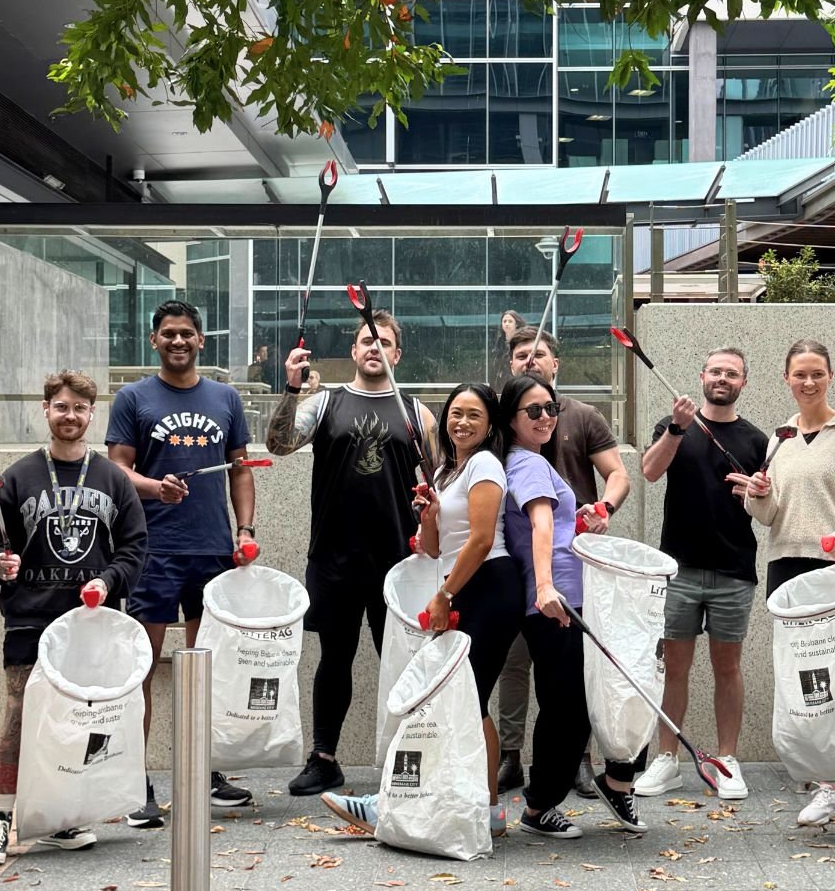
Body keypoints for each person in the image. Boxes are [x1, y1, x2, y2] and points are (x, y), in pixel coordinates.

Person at [321, 383, 523, 840]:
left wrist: (446, 595)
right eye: (455, 413)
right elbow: (434, 548)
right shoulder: (446, 472)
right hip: (463, 585)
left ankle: (398, 800)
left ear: (490, 424)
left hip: (489, 585)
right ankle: (485, 810)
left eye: (474, 415)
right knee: (471, 703)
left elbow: (482, 539)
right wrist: (429, 516)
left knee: (459, 697)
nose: (462, 422)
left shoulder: (486, 465)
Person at [0, 371, 148, 866]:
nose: (70, 416)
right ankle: (1, 821)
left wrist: (108, 581)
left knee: (83, 722)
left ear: (93, 414)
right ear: (46, 410)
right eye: (61, 407)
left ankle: (67, 817)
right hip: (30, 617)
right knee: (18, 717)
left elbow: (135, 547)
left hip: (91, 624)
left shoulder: (113, 478)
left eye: (80, 408)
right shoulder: (16, 478)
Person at [266, 309, 437, 796]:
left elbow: (444, 479)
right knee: (334, 658)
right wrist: (292, 389)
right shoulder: (326, 403)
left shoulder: (416, 411)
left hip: (399, 563)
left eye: (383, 341)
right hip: (334, 557)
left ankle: (405, 756)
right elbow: (279, 444)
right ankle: (324, 759)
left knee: (400, 661)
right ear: (354, 350)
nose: (374, 348)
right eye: (366, 340)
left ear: (396, 354)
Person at [107, 300, 258, 828]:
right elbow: (118, 469)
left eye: (186, 333)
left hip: (212, 548)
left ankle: (205, 772)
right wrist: (155, 487)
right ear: (155, 341)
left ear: (200, 340)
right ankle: (135, 782)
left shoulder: (225, 397)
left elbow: (241, 471)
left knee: (207, 668)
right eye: (168, 333)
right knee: (142, 668)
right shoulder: (133, 398)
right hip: (150, 550)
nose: (177, 341)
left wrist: (244, 530)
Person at [745, 339, 835, 838]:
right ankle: (827, 785)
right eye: (799, 374)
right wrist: (758, 496)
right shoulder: (779, 438)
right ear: (785, 378)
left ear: (831, 378)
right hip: (787, 568)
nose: (808, 382)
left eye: (817, 374)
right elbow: (768, 514)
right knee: (811, 679)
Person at [500, 373, 646, 838]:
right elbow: (541, 527)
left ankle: (594, 786)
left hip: (570, 593)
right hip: (558, 600)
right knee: (568, 706)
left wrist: (580, 520)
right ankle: (542, 806)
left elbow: (552, 528)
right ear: (510, 419)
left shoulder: (533, 462)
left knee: (577, 703)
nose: (545, 417)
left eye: (550, 409)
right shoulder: (527, 465)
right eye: (533, 411)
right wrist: (546, 588)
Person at [634, 347, 767, 801]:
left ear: (743, 383)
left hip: (734, 571)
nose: (723, 378)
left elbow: (769, 504)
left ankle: (727, 759)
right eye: (716, 371)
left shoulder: (756, 440)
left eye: (732, 373)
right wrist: (676, 428)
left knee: (728, 667)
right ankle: (666, 758)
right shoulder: (676, 425)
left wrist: (755, 491)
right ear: (702, 376)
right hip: (679, 569)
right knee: (675, 667)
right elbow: (649, 472)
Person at [491, 310, 527, 391]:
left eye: (510, 321)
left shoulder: (522, 342)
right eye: (504, 321)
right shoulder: (499, 342)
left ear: (516, 324)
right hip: (500, 381)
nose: (507, 324)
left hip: (517, 379)